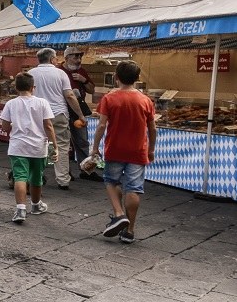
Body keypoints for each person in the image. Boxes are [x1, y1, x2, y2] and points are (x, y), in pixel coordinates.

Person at [91, 60, 157, 245]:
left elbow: (102, 125)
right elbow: (152, 128)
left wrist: (95, 147)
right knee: (134, 188)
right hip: (138, 150)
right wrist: (151, 149)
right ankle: (129, 231)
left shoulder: (109, 99)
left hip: (115, 148)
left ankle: (119, 214)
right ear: (137, 78)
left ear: (116, 77)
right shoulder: (146, 100)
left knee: (111, 181)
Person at [0, 72, 59, 223]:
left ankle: (20, 209)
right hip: (38, 147)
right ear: (33, 87)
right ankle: (36, 205)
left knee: (20, 177)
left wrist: (14, 126)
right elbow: (48, 126)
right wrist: (55, 146)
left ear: (16, 88)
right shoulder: (42, 103)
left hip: (18, 146)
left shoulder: (11, 104)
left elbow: (4, 126)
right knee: (36, 178)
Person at [27, 47, 84, 189]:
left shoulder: (30, 73)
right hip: (58, 114)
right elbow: (70, 95)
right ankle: (63, 179)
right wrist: (80, 115)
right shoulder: (60, 74)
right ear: (53, 59)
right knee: (62, 146)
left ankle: (36, 175)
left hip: (36, 114)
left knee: (37, 145)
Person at [62, 46, 99, 180]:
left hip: (78, 112)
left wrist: (84, 80)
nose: (78, 59)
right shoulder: (59, 71)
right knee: (64, 143)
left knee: (82, 141)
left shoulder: (81, 71)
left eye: (80, 56)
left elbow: (91, 90)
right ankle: (64, 172)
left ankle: (86, 170)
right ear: (66, 58)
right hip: (64, 111)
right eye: (75, 56)